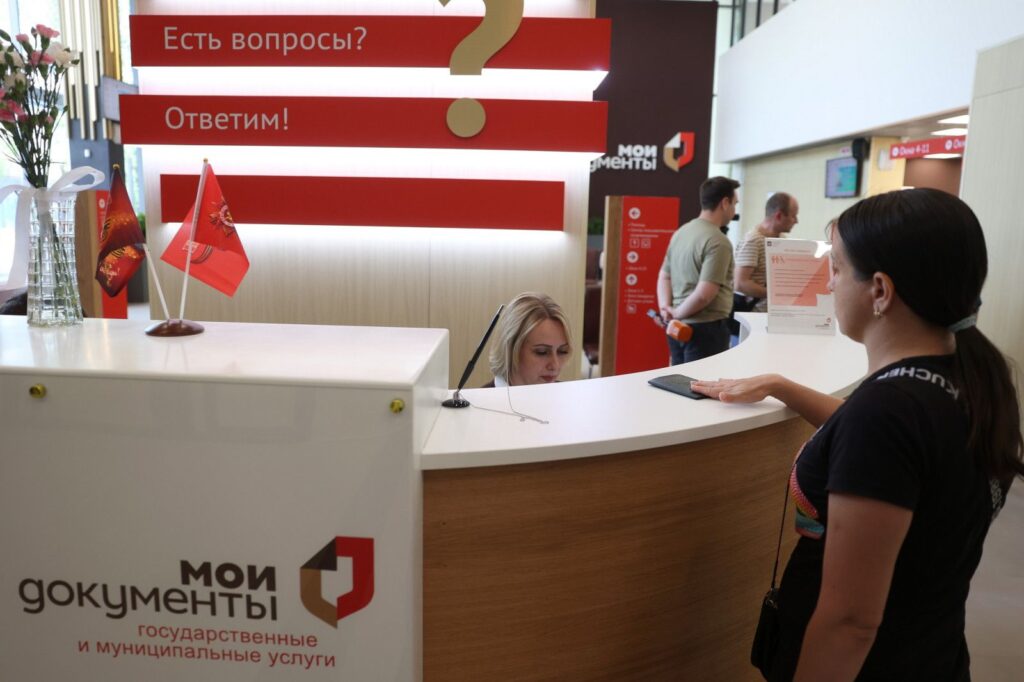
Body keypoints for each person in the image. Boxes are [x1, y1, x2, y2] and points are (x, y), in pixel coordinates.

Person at [691, 188, 1023, 681]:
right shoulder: (968, 383)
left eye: (838, 269)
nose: (828, 283)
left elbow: (850, 623)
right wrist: (782, 386)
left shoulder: (886, 415)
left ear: (881, 290)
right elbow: (893, 451)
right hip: (934, 653)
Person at [657, 176, 738, 365]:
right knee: (702, 382)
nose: (735, 210)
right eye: (735, 204)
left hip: (676, 327)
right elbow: (704, 295)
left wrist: (666, 309)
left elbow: (664, 276)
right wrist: (677, 313)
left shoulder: (681, 232)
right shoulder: (718, 241)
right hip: (707, 330)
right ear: (725, 203)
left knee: (678, 378)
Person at [486, 292, 572, 386]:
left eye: (562, 351)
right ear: (510, 350)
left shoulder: (571, 393)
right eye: (542, 352)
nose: (555, 365)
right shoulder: (478, 396)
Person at [734, 192, 800, 312]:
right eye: (793, 216)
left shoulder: (782, 239)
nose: (796, 221)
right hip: (754, 316)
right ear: (779, 216)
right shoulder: (753, 241)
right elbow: (740, 283)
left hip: (774, 314)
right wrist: (774, 294)